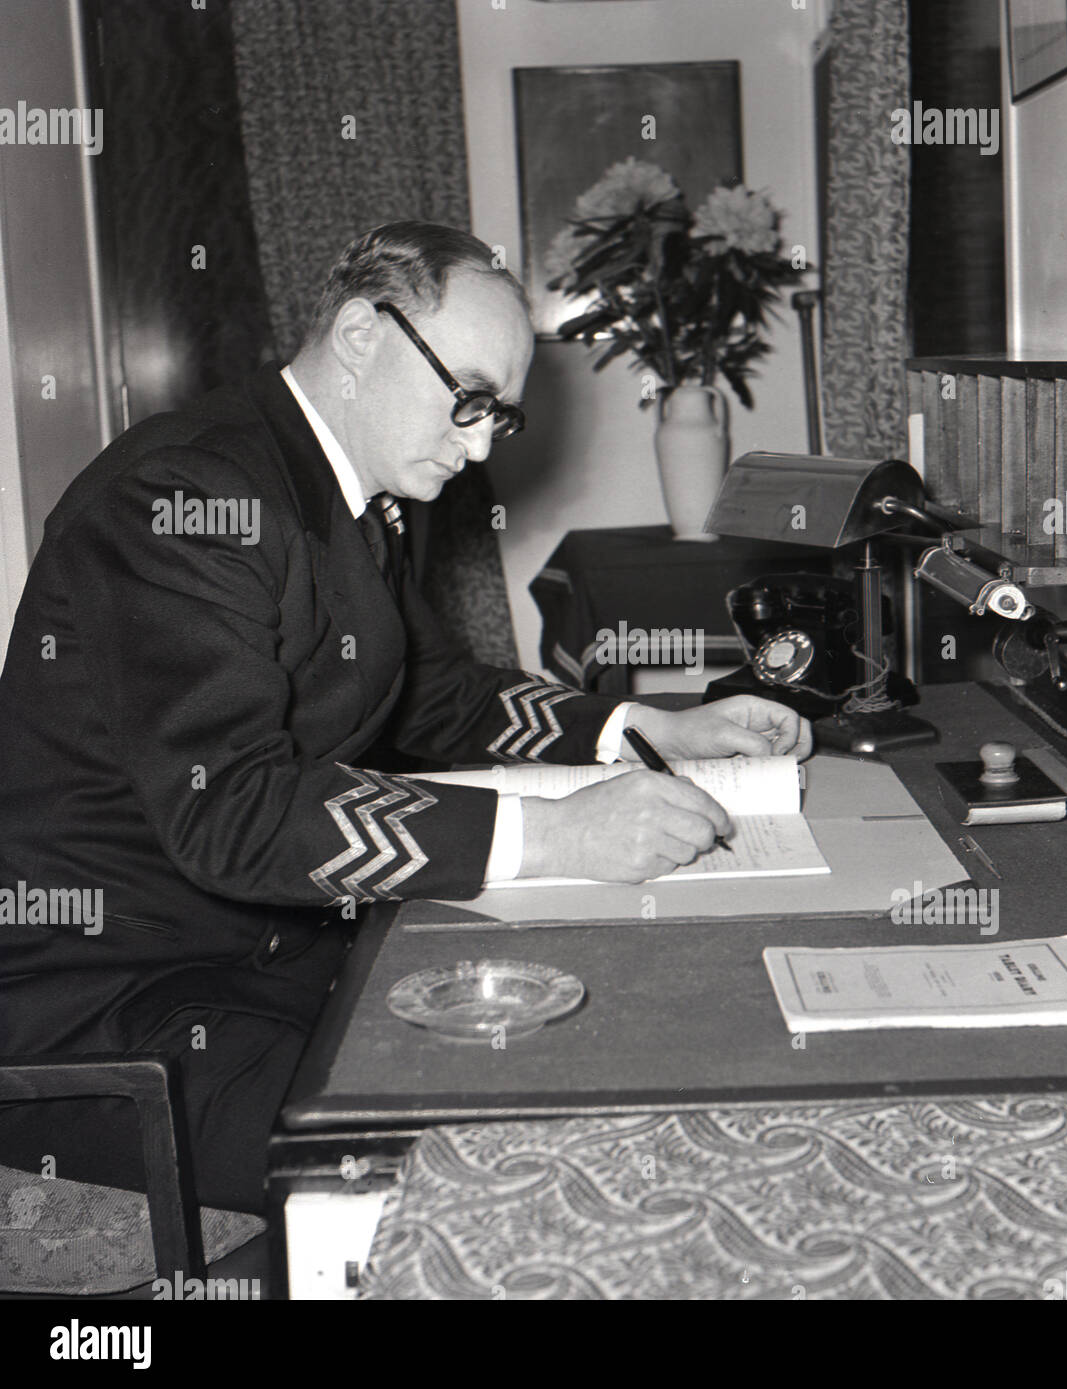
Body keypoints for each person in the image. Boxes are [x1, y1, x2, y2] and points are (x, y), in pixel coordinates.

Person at [0, 222, 811, 1214]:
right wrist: (556, 834)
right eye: (467, 398)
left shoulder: (351, 495)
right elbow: (238, 813)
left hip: (268, 955)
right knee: (484, 1177)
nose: (477, 446)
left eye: (497, 417)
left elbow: (442, 697)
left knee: (582, 1041)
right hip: (117, 1012)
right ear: (358, 335)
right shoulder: (183, 494)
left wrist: (643, 725)